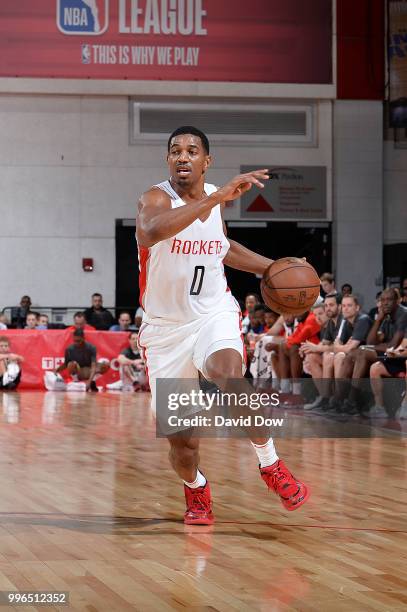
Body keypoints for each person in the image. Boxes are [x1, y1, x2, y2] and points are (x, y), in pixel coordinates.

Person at [136, 125, 309, 524]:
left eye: (192, 151)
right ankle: (196, 488)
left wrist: (277, 268)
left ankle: (271, 464)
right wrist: (214, 197)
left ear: (206, 161)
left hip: (213, 311)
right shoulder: (155, 197)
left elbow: (222, 246)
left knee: (228, 372)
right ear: (168, 160)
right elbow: (149, 233)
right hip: (165, 330)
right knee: (184, 448)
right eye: (175, 150)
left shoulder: (215, 202)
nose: (183, 156)